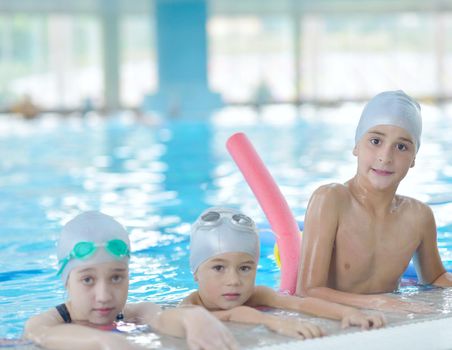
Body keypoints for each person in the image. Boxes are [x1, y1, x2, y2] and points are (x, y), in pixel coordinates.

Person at [296, 90, 452, 312]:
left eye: (401, 147)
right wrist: (377, 303)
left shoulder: (419, 216)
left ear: (414, 158)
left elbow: (436, 278)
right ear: (357, 146)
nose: (385, 157)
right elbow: (307, 290)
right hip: (336, 319)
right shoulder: (331, 200)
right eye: (376, 141)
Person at [24, 211, 238, 350]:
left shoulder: (136, 313)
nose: (104, 295)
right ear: (66, 280)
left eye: (116, 277)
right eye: (88, 279)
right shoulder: (47, 322)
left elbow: (163, 319)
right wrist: (103, 340)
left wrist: (193, 318)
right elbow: (42, 334)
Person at [181, 207, 385, 341]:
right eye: (218, 268)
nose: (233, 281)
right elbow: (231, 315)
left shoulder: (257, 295)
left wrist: (347, 313)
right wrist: (276, 323)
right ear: (196, 273)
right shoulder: (189, 308)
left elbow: (300, 303)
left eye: (244, 268)